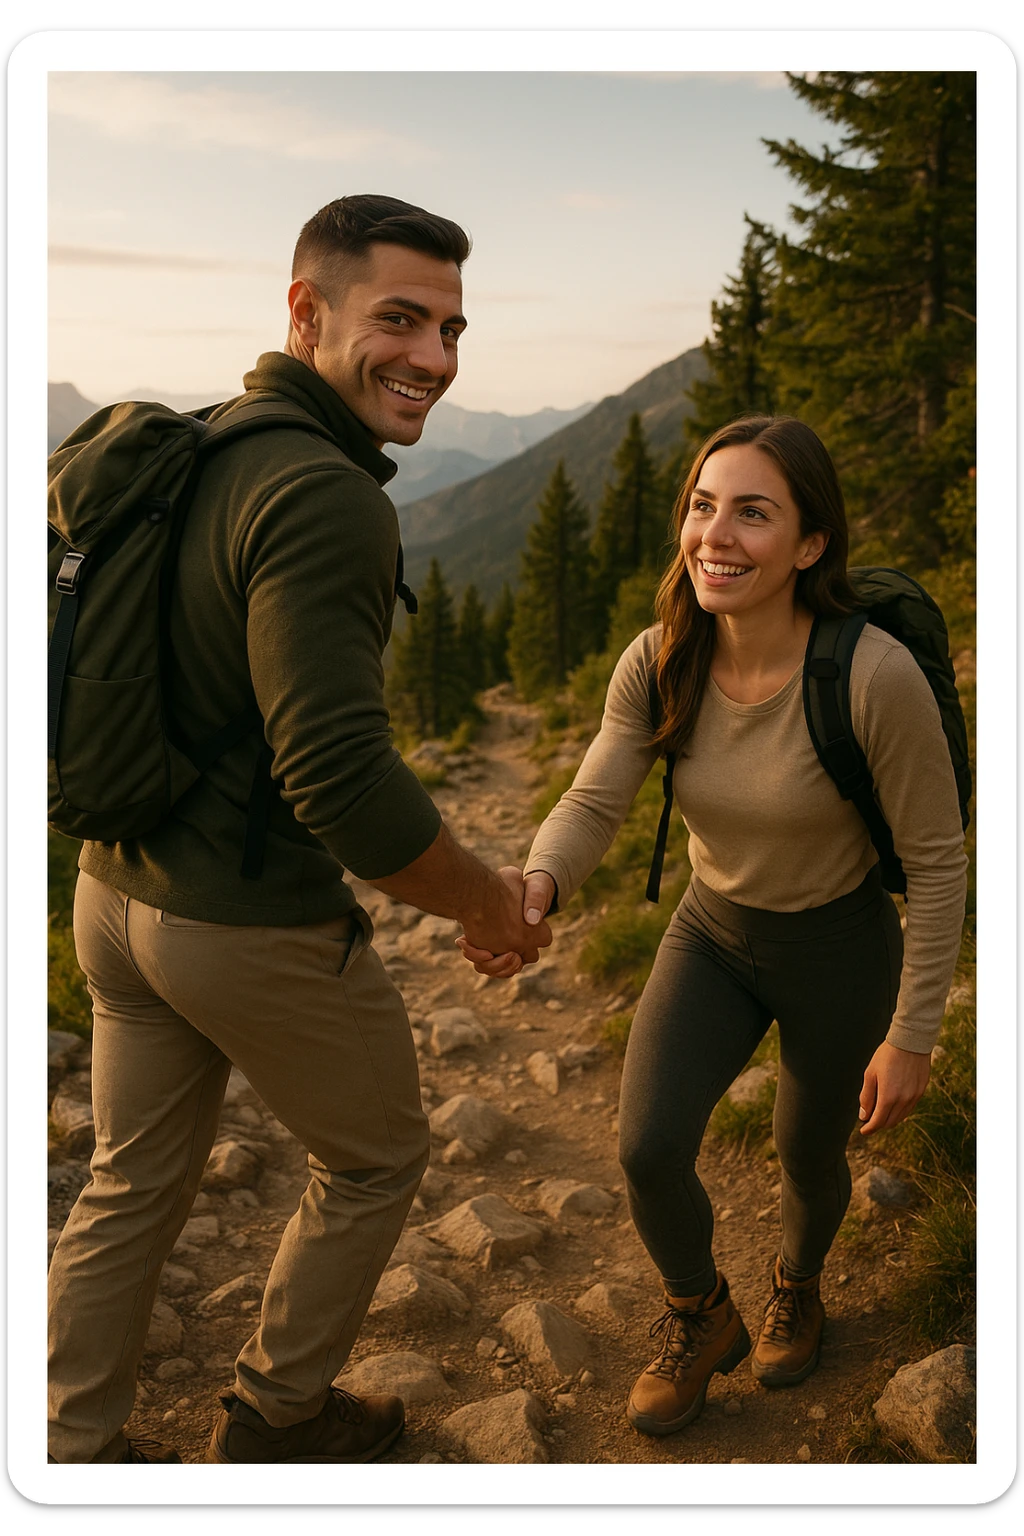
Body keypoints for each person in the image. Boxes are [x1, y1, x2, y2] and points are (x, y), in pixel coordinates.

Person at [47, 194, 550, 1466]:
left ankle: (71, 1442)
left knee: (130, 1179)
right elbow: (339, 781)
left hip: (113, 894)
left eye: (450, 328)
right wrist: (486, 901)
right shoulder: (325, 494)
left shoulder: (204, 442)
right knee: (376, 1158)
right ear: (305, 310)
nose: (432, 357)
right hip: (238, 916)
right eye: (400, 319)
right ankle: (278, 1418)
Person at [459, 415, 967, 1438]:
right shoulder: (662, 659)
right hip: (713, 934)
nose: (715, 535)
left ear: (810, 545)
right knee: (647, 1147)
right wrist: (534, 891)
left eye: (752, 514)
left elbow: (937, 859)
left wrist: (912, 1035)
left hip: (839, 948)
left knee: (805, 1154)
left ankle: (797, 1285)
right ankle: (701, 1311)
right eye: (702, 506)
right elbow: (594, 797)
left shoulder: (872, 676)